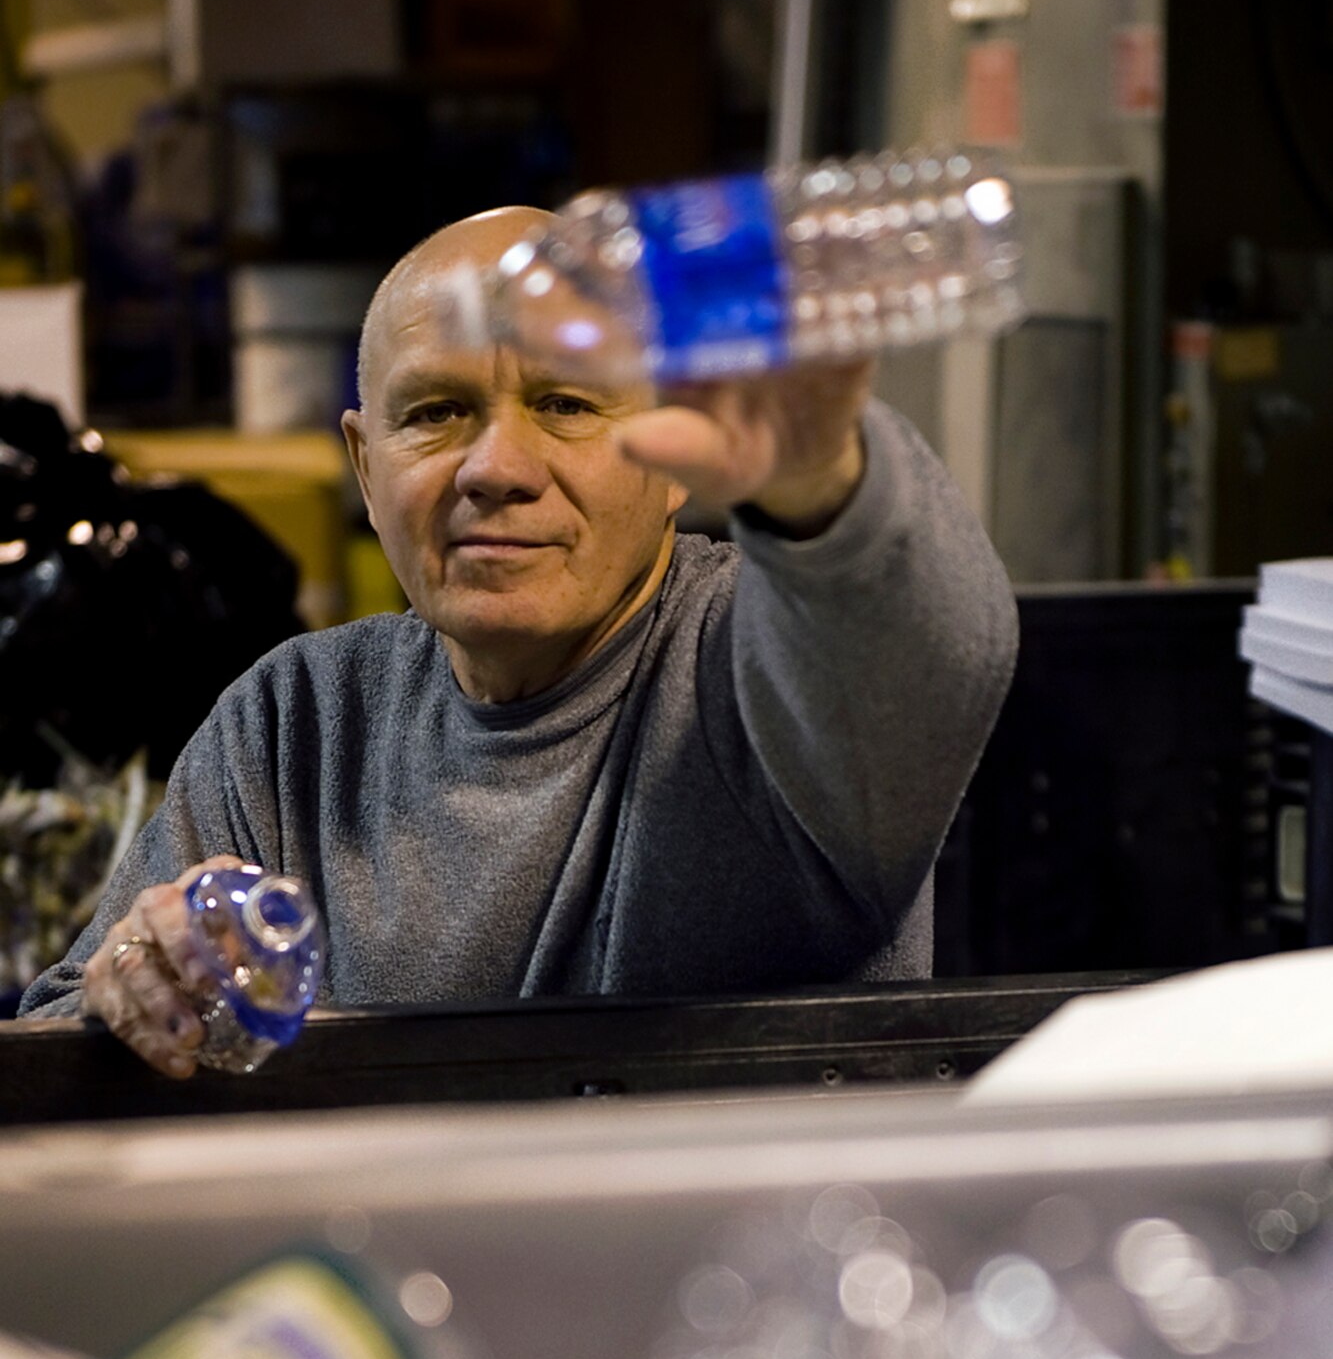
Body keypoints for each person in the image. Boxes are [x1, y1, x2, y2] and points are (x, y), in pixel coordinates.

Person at [20, 204, 1018, 1076]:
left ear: (673, 457)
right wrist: (140, 990)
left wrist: (829, 483)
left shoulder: (759, 671)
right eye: (436, 412)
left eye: (565, 404)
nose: (495, 465)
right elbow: (62, 1046)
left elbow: (934, 644)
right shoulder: (295, 725)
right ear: (368, 472)